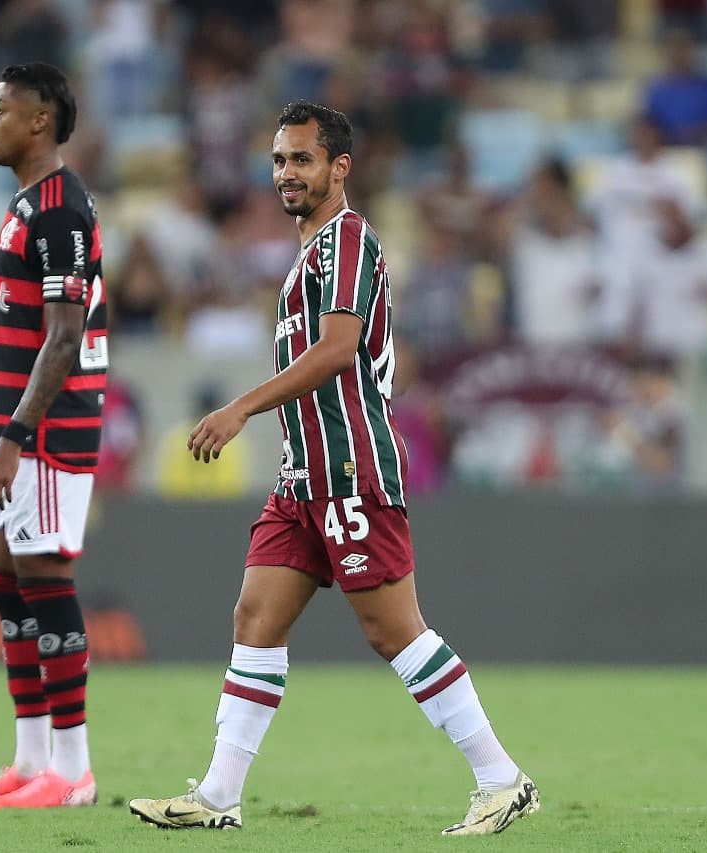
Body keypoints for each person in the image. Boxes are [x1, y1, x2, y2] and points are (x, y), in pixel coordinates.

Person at [128, 102, 540, 836]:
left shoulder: (347, 241)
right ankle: (219, 792)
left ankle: (502, 778)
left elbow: (337, 351)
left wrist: (239, 410)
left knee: (393, 631)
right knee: (255, 617)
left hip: (349, 464)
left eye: (303, 159)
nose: (287, 172)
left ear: (339, 167)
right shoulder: (306, 252)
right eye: (280, 159)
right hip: (301, 478)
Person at [0, 63, 107, 809]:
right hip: (14, 433)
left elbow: (65, 336)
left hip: (49, 431)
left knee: (45, 580)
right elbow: (15, 335)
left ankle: (73, 771)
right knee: (5, 578)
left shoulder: (60, 209)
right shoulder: (25, 205)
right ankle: (29, 759)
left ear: (39, 120)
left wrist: (14, 436)